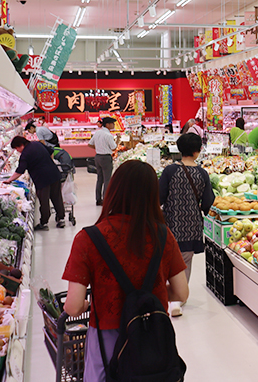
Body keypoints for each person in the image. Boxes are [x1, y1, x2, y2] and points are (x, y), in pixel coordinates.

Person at [62, 160, 189, 382]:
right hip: (153, 337)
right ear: (153, 195)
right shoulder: (163, 235)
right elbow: (181, 293)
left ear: (113, 190)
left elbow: (72, 307)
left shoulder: (88, 239)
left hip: (107, 338)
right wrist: (148, 296)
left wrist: (87, 305)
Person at [158, 133, 214, 302]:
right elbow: (208, 200)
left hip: (171, 223)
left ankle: (166, 294)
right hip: (191, 226)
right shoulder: (202, 173)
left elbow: (159, 196)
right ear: (198, 151)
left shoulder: (170, 170)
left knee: (167, 260)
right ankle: (179, 297)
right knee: (185, 262)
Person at [6, 136, 66, 230]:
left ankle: (44, 223)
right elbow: (51, 152)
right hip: (54, 173)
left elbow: (20, 171)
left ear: (21, 145)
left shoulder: (25, 154)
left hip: (42, 178)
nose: (17, 151)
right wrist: (48, 163)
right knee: (56, 197)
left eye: (17, 148)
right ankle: (61, 219)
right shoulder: (37, 144)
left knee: (44, 200)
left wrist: (9, 180)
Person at [88, 117, 117, 206]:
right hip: (106, 158)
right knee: (107, 179)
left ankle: (98, 199)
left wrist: (98, 149)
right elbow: (114, 147)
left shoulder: (97, 133)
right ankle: (106, 200)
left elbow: (89, 144)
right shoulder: (108, 135)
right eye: (112, 123)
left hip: (98, 157)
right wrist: (118, 139)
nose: (113, 125)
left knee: (99, 179)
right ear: (107, 124)